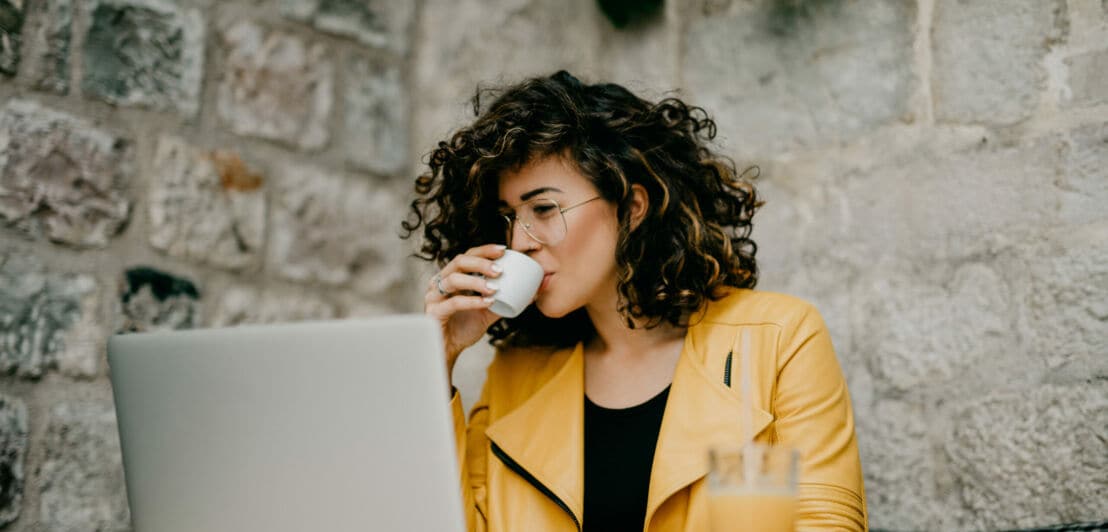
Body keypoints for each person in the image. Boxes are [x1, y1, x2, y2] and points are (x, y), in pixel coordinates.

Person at [402, 71, 866, 531]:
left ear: (631, 207)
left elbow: (826, 524)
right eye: (509, 217)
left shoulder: (778, 339)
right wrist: (435, 364)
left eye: (543, 209)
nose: (518, 242)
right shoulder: (516, 373)